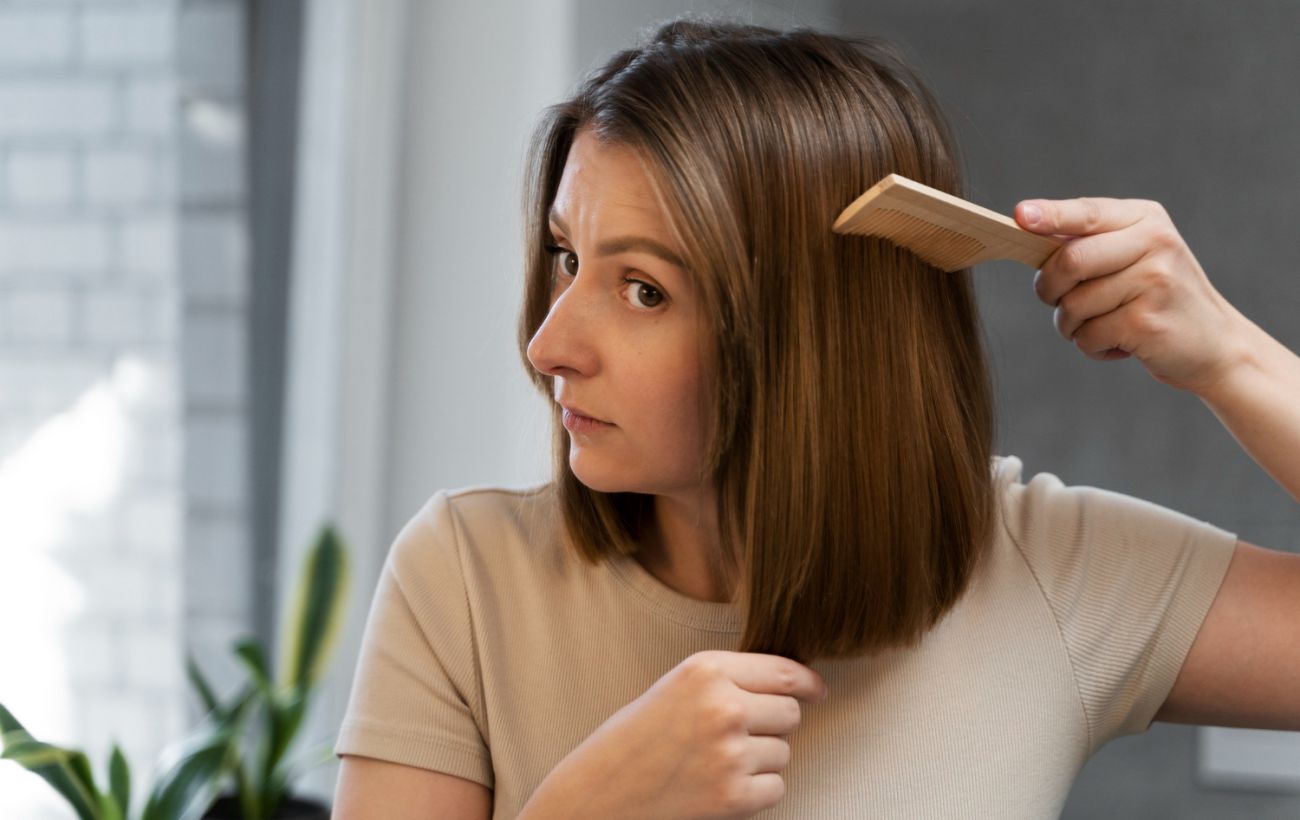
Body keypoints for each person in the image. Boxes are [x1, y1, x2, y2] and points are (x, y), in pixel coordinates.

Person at [330, 16, 1300, 820]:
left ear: (813, 332)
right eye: (566, 258)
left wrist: (1231, 356)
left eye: (643, 290)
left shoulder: (1048, 569)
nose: (549, 344)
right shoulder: (460, 579)